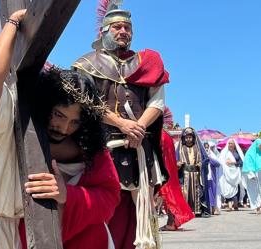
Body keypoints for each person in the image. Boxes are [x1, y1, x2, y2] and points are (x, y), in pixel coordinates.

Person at [0, 9, 120, 249]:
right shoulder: (6, 125)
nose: (64, 127)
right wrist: (12, 23)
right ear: (45, 104)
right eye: (58, 115)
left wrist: (67, 195)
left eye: (75, 122)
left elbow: (109, 197)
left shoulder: (89, 149)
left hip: (67, 236)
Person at [72, 2, 169, 248]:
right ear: (104, 31)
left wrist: (138, 127)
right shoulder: (87, 64)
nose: (123, 31)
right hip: (102, 147)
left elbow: (157, 102)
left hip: (140, 149)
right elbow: (85, 102)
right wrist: (120, 124)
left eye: (127, 27)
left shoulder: (147, 63)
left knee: (142, 217)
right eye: (117, 27)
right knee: (105, 211)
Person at [158, 131, 194, 231]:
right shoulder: (165, 135)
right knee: (170, 196)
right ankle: (171, 222)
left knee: (168, 196)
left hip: (165, 171)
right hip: (169, 171)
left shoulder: (161, 135)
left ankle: (171, 222)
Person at [176, 127, 210, 217]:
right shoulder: (180, 148)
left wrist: (200, 164)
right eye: (186, 137)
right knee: (185, 192)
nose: (188, 139)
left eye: (190, 137)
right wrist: (178, 163)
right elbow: (175, 160)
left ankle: (197, 210)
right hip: (185, 174)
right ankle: (185, 211)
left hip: (196, 174)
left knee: (197, 192)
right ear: (184, 138)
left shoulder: (197, 148)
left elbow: (205, 159)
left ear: (193, 138)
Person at [218, 139, 244, 211]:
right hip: (226, 173)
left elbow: (241, 163)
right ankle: (229, 205)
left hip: (235, 174)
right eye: (229, 143)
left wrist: (233, 162)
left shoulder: (237, 153)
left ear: (234, 144)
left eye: (232, 143)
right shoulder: (224, 152)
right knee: (228, 187)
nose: (230, 145)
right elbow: (220, 162)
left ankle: (235, 204)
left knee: (235, 187)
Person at [242, 139, 261, 214]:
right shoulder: (250, 153)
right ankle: (256, 207)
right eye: (260, 145)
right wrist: (251, 174)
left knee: (260, 191)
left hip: (260, 175)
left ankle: (259, 206)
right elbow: (247, 164)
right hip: (252, 175)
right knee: (254, 191)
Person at [203, 142, 221, 214]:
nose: (206, 149)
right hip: (204, 177)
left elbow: (218, 164)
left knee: (212, 192)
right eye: (205, 147)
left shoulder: (212, 156)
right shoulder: (202, 155)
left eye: (207, 147)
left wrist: (209, 158)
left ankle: (213, 208)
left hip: (211, 177)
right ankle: (207, 209)